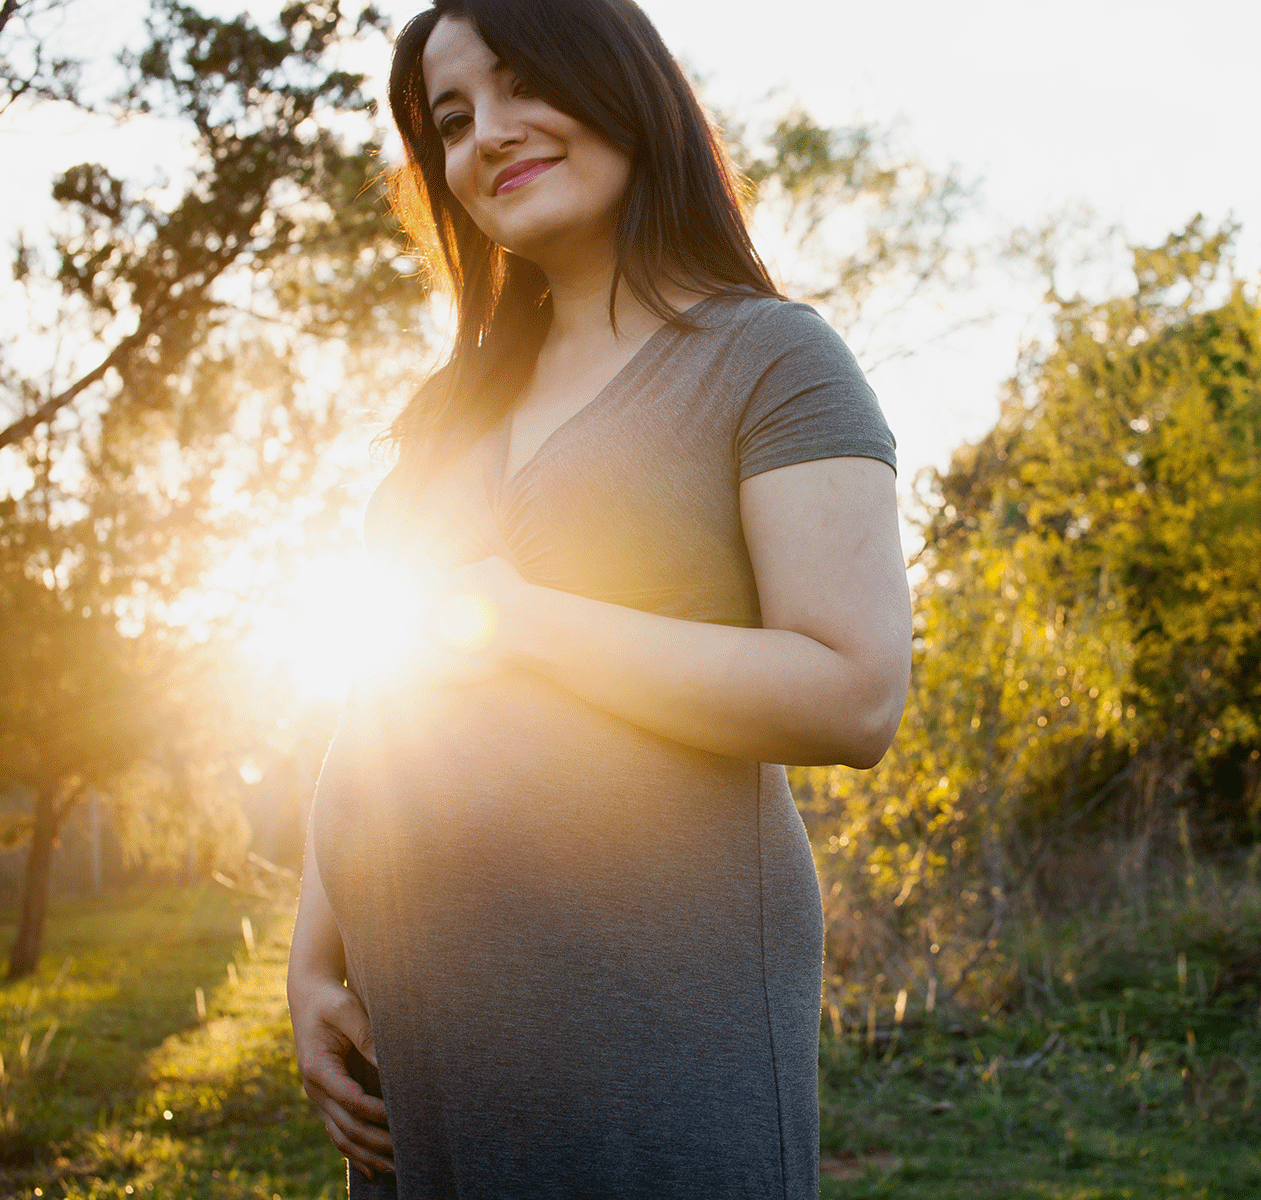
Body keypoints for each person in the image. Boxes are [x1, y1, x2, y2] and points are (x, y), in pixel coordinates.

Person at [283, 0, 911, 1194]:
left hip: (653, 1038)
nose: (487, 136)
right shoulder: (441, 416)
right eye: (451, 120)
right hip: (424, 1057)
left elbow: (855, 689)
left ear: (622, 83)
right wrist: (316, 958)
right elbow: (377, 702)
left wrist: (526, 622)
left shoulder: (768, 358)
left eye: (524, 84)